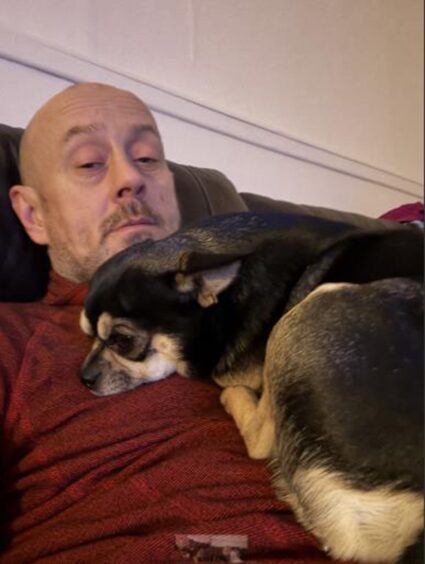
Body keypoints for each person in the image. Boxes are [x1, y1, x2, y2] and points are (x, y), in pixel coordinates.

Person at [0, 83, 360, 563]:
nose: (131, 177)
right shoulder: (14, 339)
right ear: (32, 213)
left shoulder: (276, 301)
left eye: (148, 158)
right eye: (89, 163)